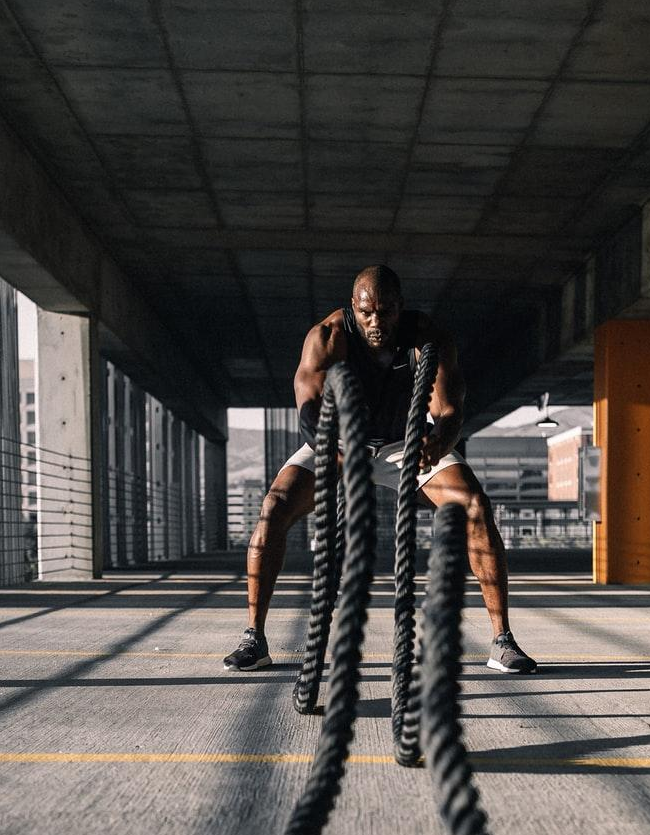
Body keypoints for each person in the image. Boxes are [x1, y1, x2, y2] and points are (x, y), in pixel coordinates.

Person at [223, 265, 537, 676]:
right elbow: (308, 410)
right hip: (336, 442)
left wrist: (439, 441)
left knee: (476, 505)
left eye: (386, 312)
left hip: (402, 442)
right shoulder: (328, 337)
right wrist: (333, 449)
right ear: (353, 306)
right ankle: (254, 638)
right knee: (274, 507)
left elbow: (449, 408)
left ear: (399, 308)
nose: (377, 322)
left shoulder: (428, 338)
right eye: (368, 312)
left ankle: (502, 641)